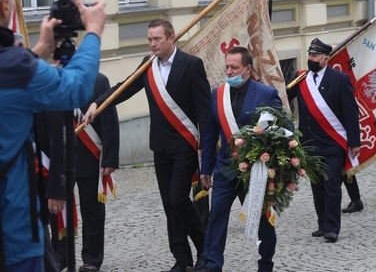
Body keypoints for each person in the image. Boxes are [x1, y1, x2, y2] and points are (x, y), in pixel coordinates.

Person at [0, 0, 106, 271]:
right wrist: (94, 32)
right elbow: (76, 88)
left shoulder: (18, 66)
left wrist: (38, 52)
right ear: (7, 7)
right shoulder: (16, 67)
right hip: (13, 235)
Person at [93, 19, 210, 272]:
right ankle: (182, 258)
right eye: (149, 39)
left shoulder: (191, 65)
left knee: (179, 199)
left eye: (157, 39)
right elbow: (123, 89)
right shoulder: (148, 66)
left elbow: (204, 111)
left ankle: (205, 249)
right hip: (160, 147)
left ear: (171, 38)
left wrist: (207, 150)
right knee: (169, 204)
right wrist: (98, 103)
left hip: (185, 145)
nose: (152, 44)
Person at [196, 46, 281, 272]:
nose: (230, 71)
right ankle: (213, 264)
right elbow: (210, 134)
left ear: (248, 69)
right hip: (225, 168)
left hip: (254, 170)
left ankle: (265, 261)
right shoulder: (218, 94)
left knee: (260, 219)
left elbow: (279, 131)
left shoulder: (265, 94)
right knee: (217, 218)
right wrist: (206, 170)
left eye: (235, 67)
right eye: (227, 67)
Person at [288, 38, 360, 243]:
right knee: (317, 186)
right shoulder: (301, 78)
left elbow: (350, 112)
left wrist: (355, 142)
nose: (310, 59)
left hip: (333, 143)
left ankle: (332, 228)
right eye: (309, 55)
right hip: (309, 143)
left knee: (331, 185)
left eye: (315, 56)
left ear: (326, 58)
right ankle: (322, 223)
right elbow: (286, 96)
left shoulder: (339, 79)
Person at [49, 69, 119, 272]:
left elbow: (109, 118)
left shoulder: (98, 80)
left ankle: (92, 257)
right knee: (58, 209)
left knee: (92, 210)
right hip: (61, 157)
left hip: (90, 154)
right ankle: (61, 254)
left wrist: (110, 158)